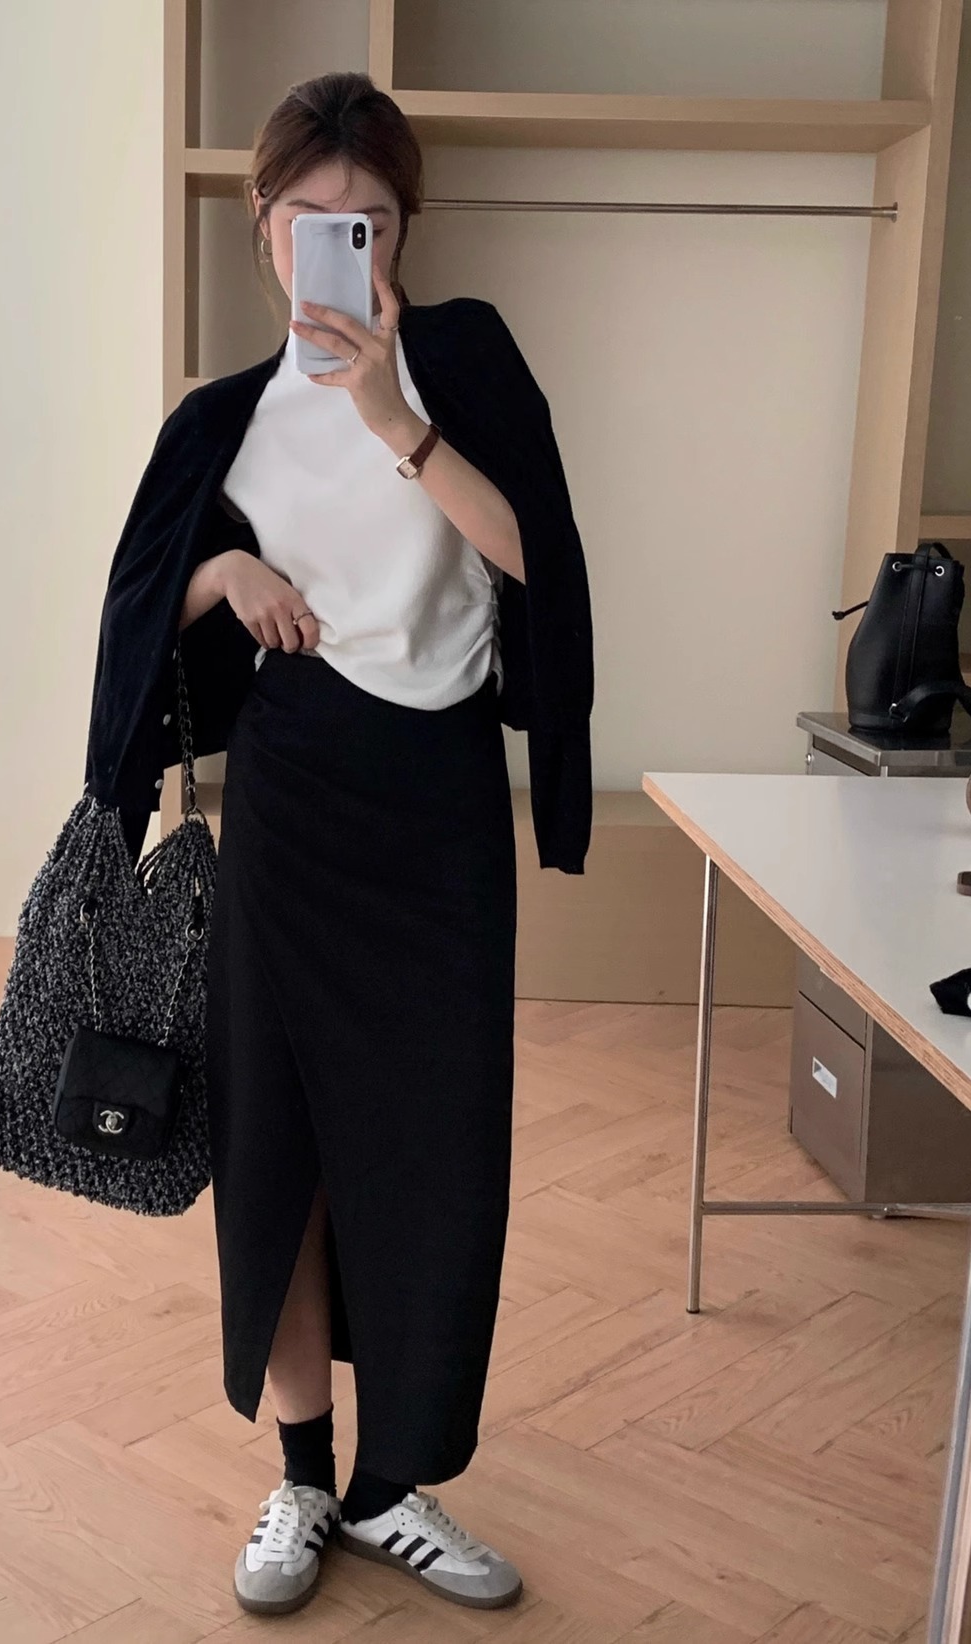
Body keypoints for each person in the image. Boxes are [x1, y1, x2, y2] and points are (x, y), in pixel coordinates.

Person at [98, 70, 594, 1618]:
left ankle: (395, 1488)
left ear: (402, 231)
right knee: (281, 1153)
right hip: (294, 807)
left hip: (439, 810)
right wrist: (226, 577)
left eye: (365, 223)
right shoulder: (218, 420)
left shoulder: (468, 359)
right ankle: (306, 1477)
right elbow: (138, 608)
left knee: (432, 1150)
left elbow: (545, 564)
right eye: (309, 219)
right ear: (263, 227)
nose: (336, 246)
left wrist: (395, 424)